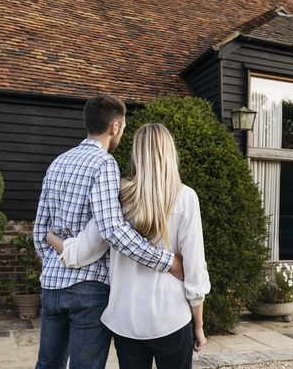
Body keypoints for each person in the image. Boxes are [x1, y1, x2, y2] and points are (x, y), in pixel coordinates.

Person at [33, 95, 184, 369]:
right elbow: (113, 230)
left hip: (51, 286)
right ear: (115, 127)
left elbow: (40, 230)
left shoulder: (57, 163)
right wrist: (167, 261)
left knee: (47, 365)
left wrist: (55, 265)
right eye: (123, 127)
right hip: (89, 290)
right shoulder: (104, 164)